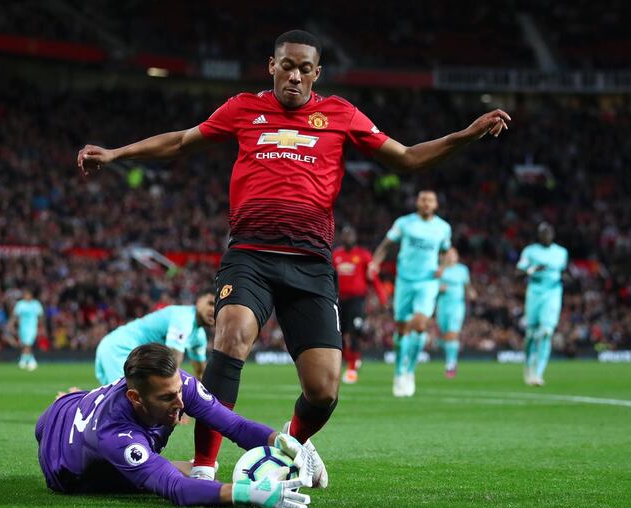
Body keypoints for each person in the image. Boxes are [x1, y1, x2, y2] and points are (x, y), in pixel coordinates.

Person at [77, 29, 510, 482]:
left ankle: (294, 442)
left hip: (310, 263)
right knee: (231, 334)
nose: (295, 76)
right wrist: (117, 153)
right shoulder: (244, 108)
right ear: (272, 66)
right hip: (250, 255)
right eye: (287, 66)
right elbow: (184, 141)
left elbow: (407, 158)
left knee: (323, 390)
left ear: (316, 73)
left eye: (306, 68)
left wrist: (466, 134)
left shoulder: (340, 114)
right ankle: (204, 467)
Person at [36, 343, 317, 508]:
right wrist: (246, 493)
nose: (181, 402)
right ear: (136, 398)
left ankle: (71, 399)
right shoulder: (116, 436)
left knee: (149, 463)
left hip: (83, 404)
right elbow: (177, 489)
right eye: (167, 397)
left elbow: (233, 424)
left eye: (179, 390)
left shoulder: (177, 384)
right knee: (136, 478)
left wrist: (282, 440)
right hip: (61, 457)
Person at [369, 191, 452, 397]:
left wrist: (442, 267)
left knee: (420, 324)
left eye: (430, 200)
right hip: (405, 281)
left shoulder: (443, 228)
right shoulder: (404, 223)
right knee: (402, 329)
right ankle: (398, 372)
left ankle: (410, 372)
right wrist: (375, 262)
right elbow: (387, 244)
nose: (426, 203)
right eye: (423, 199)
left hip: (427, 282)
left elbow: (446, 252)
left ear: (436, 205)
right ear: (417, 202)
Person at [95, 290, 215, 384]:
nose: (213, 310)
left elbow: (200, 373)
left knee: (111, 405)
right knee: (127, 402)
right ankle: (76, 397)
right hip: (120, 348)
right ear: (199, 301)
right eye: (210, 303)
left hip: (119, 349)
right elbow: (173, 360)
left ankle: (77, 396)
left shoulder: (199, 337)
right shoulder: (184, 317)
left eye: (217, 307)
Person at [332, 225, 387, 384]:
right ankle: (342, 363)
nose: (348, 237)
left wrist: (382, 297)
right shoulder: (336, 255)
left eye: (350, 235)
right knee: (339, 333)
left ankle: (352, 367)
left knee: (354, 331)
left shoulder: (363, 255)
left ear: (355, 238)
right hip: (339, 300)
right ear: (341, 238)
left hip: (357, 300)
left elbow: (374, 279)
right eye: (345, 235)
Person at [516, 223, 568, 386]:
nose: (547, 235)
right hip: (535, 293)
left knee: (546, 332)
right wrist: (531, 270)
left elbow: (564, 272)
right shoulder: (530, 251)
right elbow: (517, 272)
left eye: (549, 232)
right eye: (543, 233)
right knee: (531, 334)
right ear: (538, 235)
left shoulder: (561, 252)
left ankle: (538, 374)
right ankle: (528, 366)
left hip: (553, 293)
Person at [435, 247, 477, 378]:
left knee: (452, 334)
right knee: (444, 336)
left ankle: (451, 364)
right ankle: (450, 356)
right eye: (449, 254)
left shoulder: (462, 270)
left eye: (454, 254)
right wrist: (439, 288)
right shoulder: (440, 270)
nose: (451, 256)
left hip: (457, 306)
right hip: (442, 306)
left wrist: (471, 292)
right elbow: (431, 286)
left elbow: (467, 285)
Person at [10, 289, 44, 371]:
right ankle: (30, 361)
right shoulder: (20, 304)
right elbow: (15, 315)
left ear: (31, 296)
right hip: (22, 327)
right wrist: (11, 324)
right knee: (25, 344)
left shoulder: (36, 304)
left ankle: (25, 361)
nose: (27, 296)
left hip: (32, 327)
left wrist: (42, 327)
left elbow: (41, 316)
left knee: (28, 343)